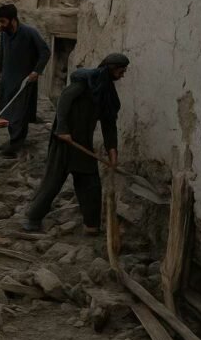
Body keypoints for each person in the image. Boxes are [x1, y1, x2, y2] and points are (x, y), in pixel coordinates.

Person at [23, 54, 130, 232]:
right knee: (53, 182)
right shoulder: (85, 81)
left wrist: (112, 150)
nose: (123, 74)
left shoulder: (107, 93)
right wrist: (63, 129)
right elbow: (64, 99)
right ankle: (33, 217)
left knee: (91, 184)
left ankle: (92, 224)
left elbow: (109, 123)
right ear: (111, 68)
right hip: (64, 141)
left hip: (83, 143)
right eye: (121, 70)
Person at [0, 3, 51, 157]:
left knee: (19, 113)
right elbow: (2, 53)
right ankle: (13, 139)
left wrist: (36, 71)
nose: (0, 25)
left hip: (24, 80)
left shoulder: (29, 32)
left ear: (13, 20)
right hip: (7, 79)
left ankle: (16, 145)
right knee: (8, 111)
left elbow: (45, 52)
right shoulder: (4, 34)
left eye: (2, 21)